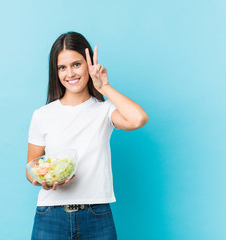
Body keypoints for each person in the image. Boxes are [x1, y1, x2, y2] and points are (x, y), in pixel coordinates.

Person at [26, 31, 148, 240]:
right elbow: (31, 167)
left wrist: (105, 87)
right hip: (51, 214)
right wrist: (41, 181)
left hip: (96, 214)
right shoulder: (42, 115)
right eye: (62, 67)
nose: (70, 73)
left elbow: (138, 119)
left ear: (89, 64)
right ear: (55, 72)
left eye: (76, 64)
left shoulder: (105, 110)